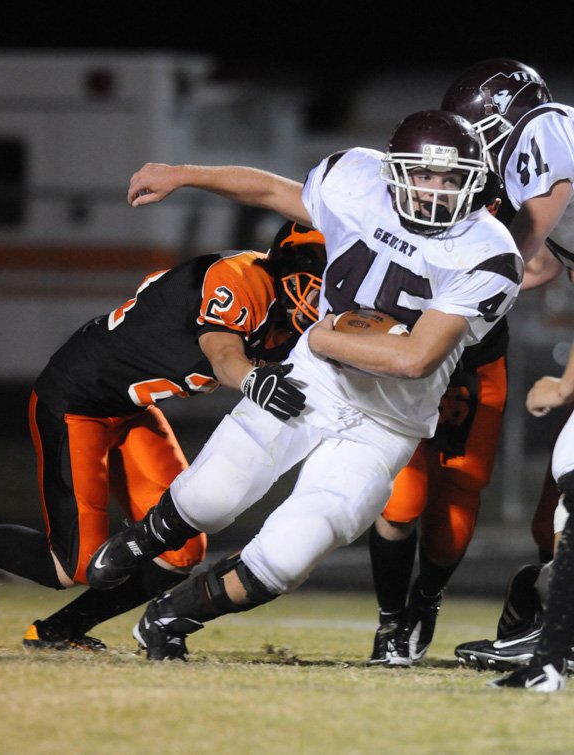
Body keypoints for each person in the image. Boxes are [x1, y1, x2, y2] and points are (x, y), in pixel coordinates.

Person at [84, 110, 522, 664]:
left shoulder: (488, 251)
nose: (435, 191)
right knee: (210, 494)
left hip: (387, 420)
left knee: (290, 556)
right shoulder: (355, 180)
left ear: (472, 184)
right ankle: (144, 538)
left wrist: (322, 340)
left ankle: (175, 614)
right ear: (394, 171)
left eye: (450, 179)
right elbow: (269, 188)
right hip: (313, 384)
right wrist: (182, 172)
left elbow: (415, 358)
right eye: (423, 175)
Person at [0, 221, 325, 651]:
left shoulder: (290, 319)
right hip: (78, 398)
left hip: (132, 408)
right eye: (324, 284)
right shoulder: (243, 277)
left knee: (181, 548)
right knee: (72, 565)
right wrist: (253, 379)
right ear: (295, 267)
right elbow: (223, 353)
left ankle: (56, 633)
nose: (328, 298)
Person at [442, 57, 574, 692]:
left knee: (569, 484)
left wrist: (440, 284)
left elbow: (522, 247)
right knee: (561, 488)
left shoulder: (545, 127)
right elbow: (545, 268)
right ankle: (552, 636)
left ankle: (555, 643)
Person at [368, 172, 511, 666]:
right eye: (424, 177)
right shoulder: (384, 202)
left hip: (472, 364)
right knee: (402, 498)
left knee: (457, 496)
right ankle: (390, 621)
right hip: (403, 359)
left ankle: (425, 599)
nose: (433, 191)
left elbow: (534, 264)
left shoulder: (504, 207)